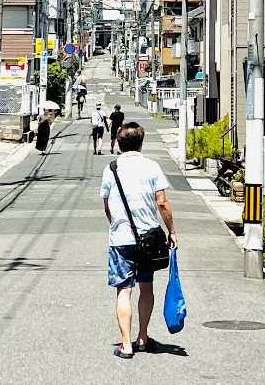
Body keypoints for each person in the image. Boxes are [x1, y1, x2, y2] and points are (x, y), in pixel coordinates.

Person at [100, 122, 177, 359]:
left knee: (124, 290)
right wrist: (171, 230)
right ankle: (142, 337)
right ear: (141, 143)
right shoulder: (152, 167)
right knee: (146, 286)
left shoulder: (111, 169)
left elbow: (107, 205)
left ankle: (126, 344)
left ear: (119, 144)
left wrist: (116, 225)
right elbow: (162, 202)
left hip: (121, 239)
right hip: (149, 239)